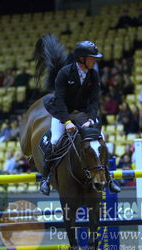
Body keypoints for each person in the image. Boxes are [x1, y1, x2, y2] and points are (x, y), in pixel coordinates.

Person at [40, 40, 121, 195]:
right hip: (62, 112)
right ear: (81, 59)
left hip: (84, 114)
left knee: (101, 139)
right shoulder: (64, 73)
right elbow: (60, 100)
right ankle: (46, 178)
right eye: (92, 57)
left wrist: (91, 118)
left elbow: (94, 100)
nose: (95, 60)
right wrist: (67, 122)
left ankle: (109, 178)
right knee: (55, 140)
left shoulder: (93, 74)